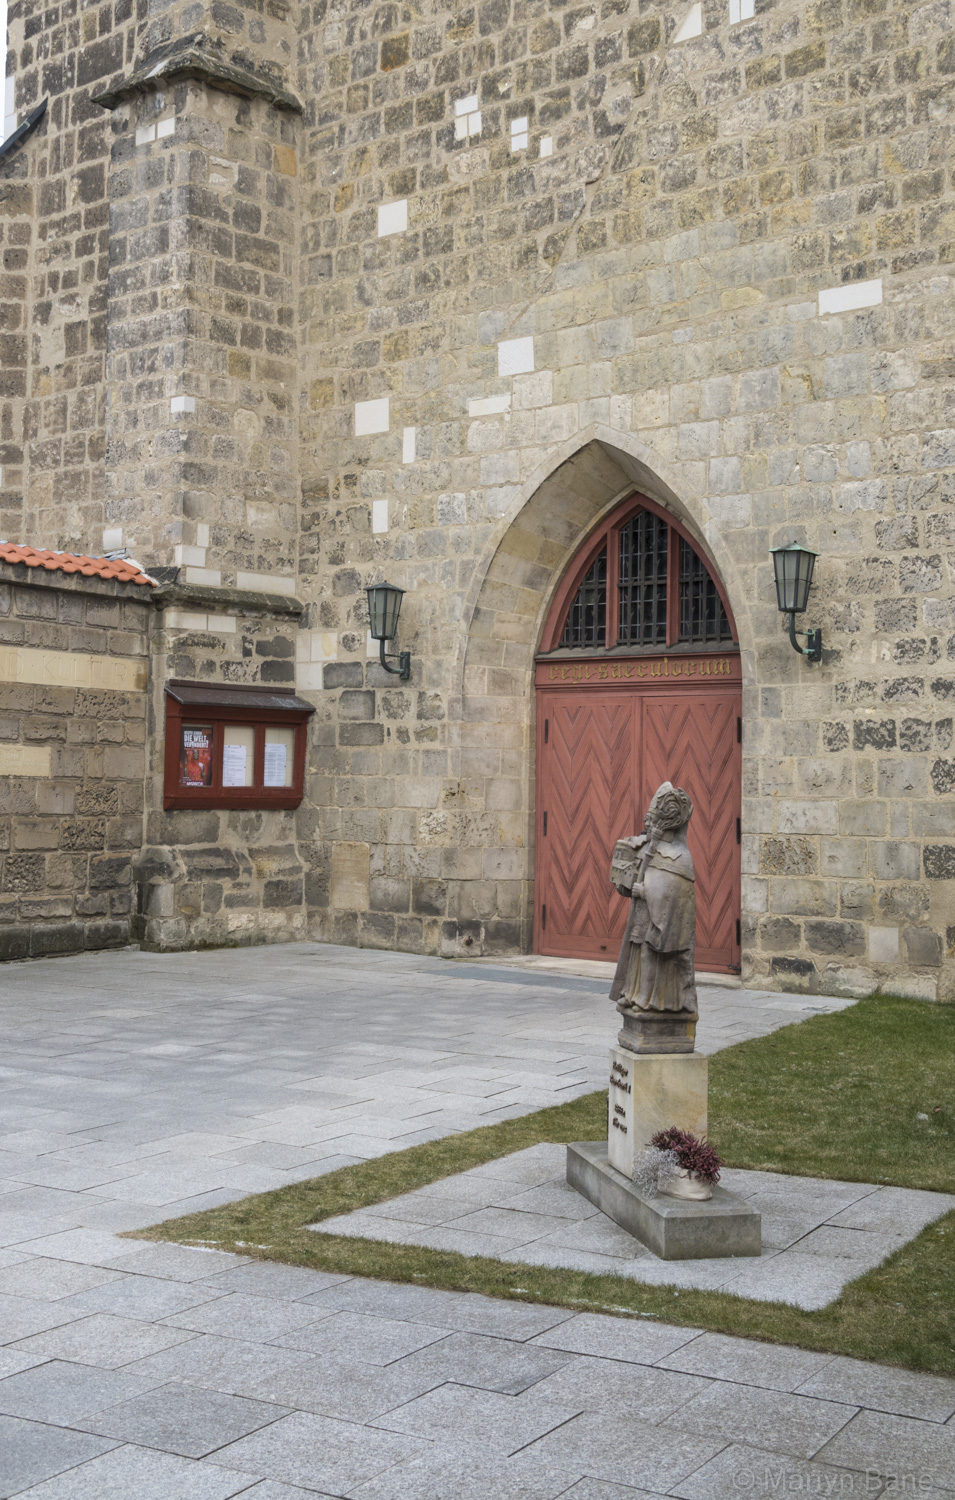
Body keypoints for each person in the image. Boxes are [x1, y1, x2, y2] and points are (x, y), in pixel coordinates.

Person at [609, 782, 698, 1050]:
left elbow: (674, 893)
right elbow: (626, 883)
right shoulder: (645, 848)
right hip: (642, 918)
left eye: (653, 820)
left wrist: (646, 891)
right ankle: (634, 995)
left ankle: (652, 1000)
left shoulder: (679, 856)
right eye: (648, 820)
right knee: (637, 954)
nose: (648, 825)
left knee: (650, 955)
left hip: (662, 925)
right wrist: (625, 877)